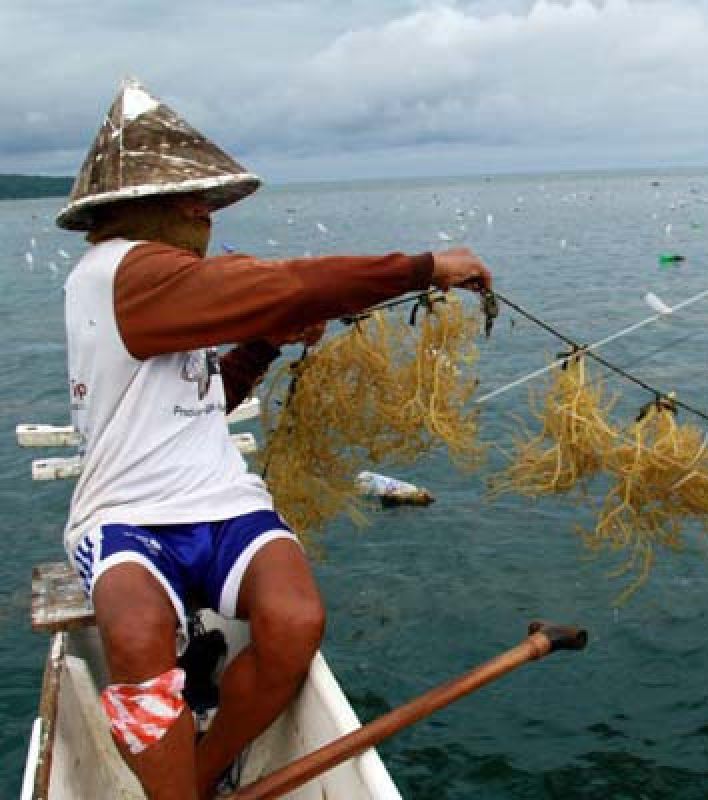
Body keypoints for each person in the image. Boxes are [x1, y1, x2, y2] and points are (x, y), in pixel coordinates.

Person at [57, 79, 492, 800]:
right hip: (126, 512)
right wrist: (422, 268)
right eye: (190, 198)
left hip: (221, 497)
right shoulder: (117, 273)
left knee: (295, 619)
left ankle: (199, 773)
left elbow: (204, 399)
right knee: (133, 636)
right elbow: (285, 283)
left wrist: (259, 347)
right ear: (133, 208)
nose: (204, 213)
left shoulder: (169, 288)